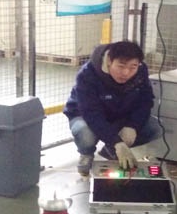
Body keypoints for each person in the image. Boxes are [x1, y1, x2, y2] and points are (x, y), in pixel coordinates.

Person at [63, 40, 161, 176]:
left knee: (154, 127)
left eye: (132, 67)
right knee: (85, 133)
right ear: (109, 61)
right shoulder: (87, 75)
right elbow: (91, 113)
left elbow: (145, 102)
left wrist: (132, 126)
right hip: (85, 115)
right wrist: (116, 142)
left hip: (119, 114)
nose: (126, 73)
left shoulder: (140, 71)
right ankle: (86, 154)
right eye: (121, 66)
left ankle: (110, 152)